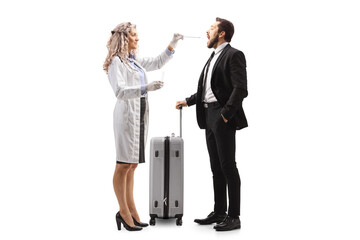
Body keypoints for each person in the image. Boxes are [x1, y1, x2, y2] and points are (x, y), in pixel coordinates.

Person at [104, 22, 183, 231]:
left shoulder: (133, 61)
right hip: (126, 117)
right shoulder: (115, 62)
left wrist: (172, 43)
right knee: (123, 165)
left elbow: (157, 62)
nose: (137, 39)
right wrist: (145, 87)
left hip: (139, 116)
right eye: (134, 35)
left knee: (132, 165)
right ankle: (123, 211)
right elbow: (119, 91)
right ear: (123, 38)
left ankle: (131, 210)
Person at [176, 17, 247, 231]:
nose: (207, 32)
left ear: (222, 33)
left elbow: (240, 88)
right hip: (208, 116)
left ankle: (234, 216)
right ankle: (219, 211)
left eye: (212, 28)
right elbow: (209, 89)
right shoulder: (213, 56)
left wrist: (225, 115)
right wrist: (188, 101)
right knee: (216, 168)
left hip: (221, 116)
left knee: (228, 167)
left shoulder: (234, 55)